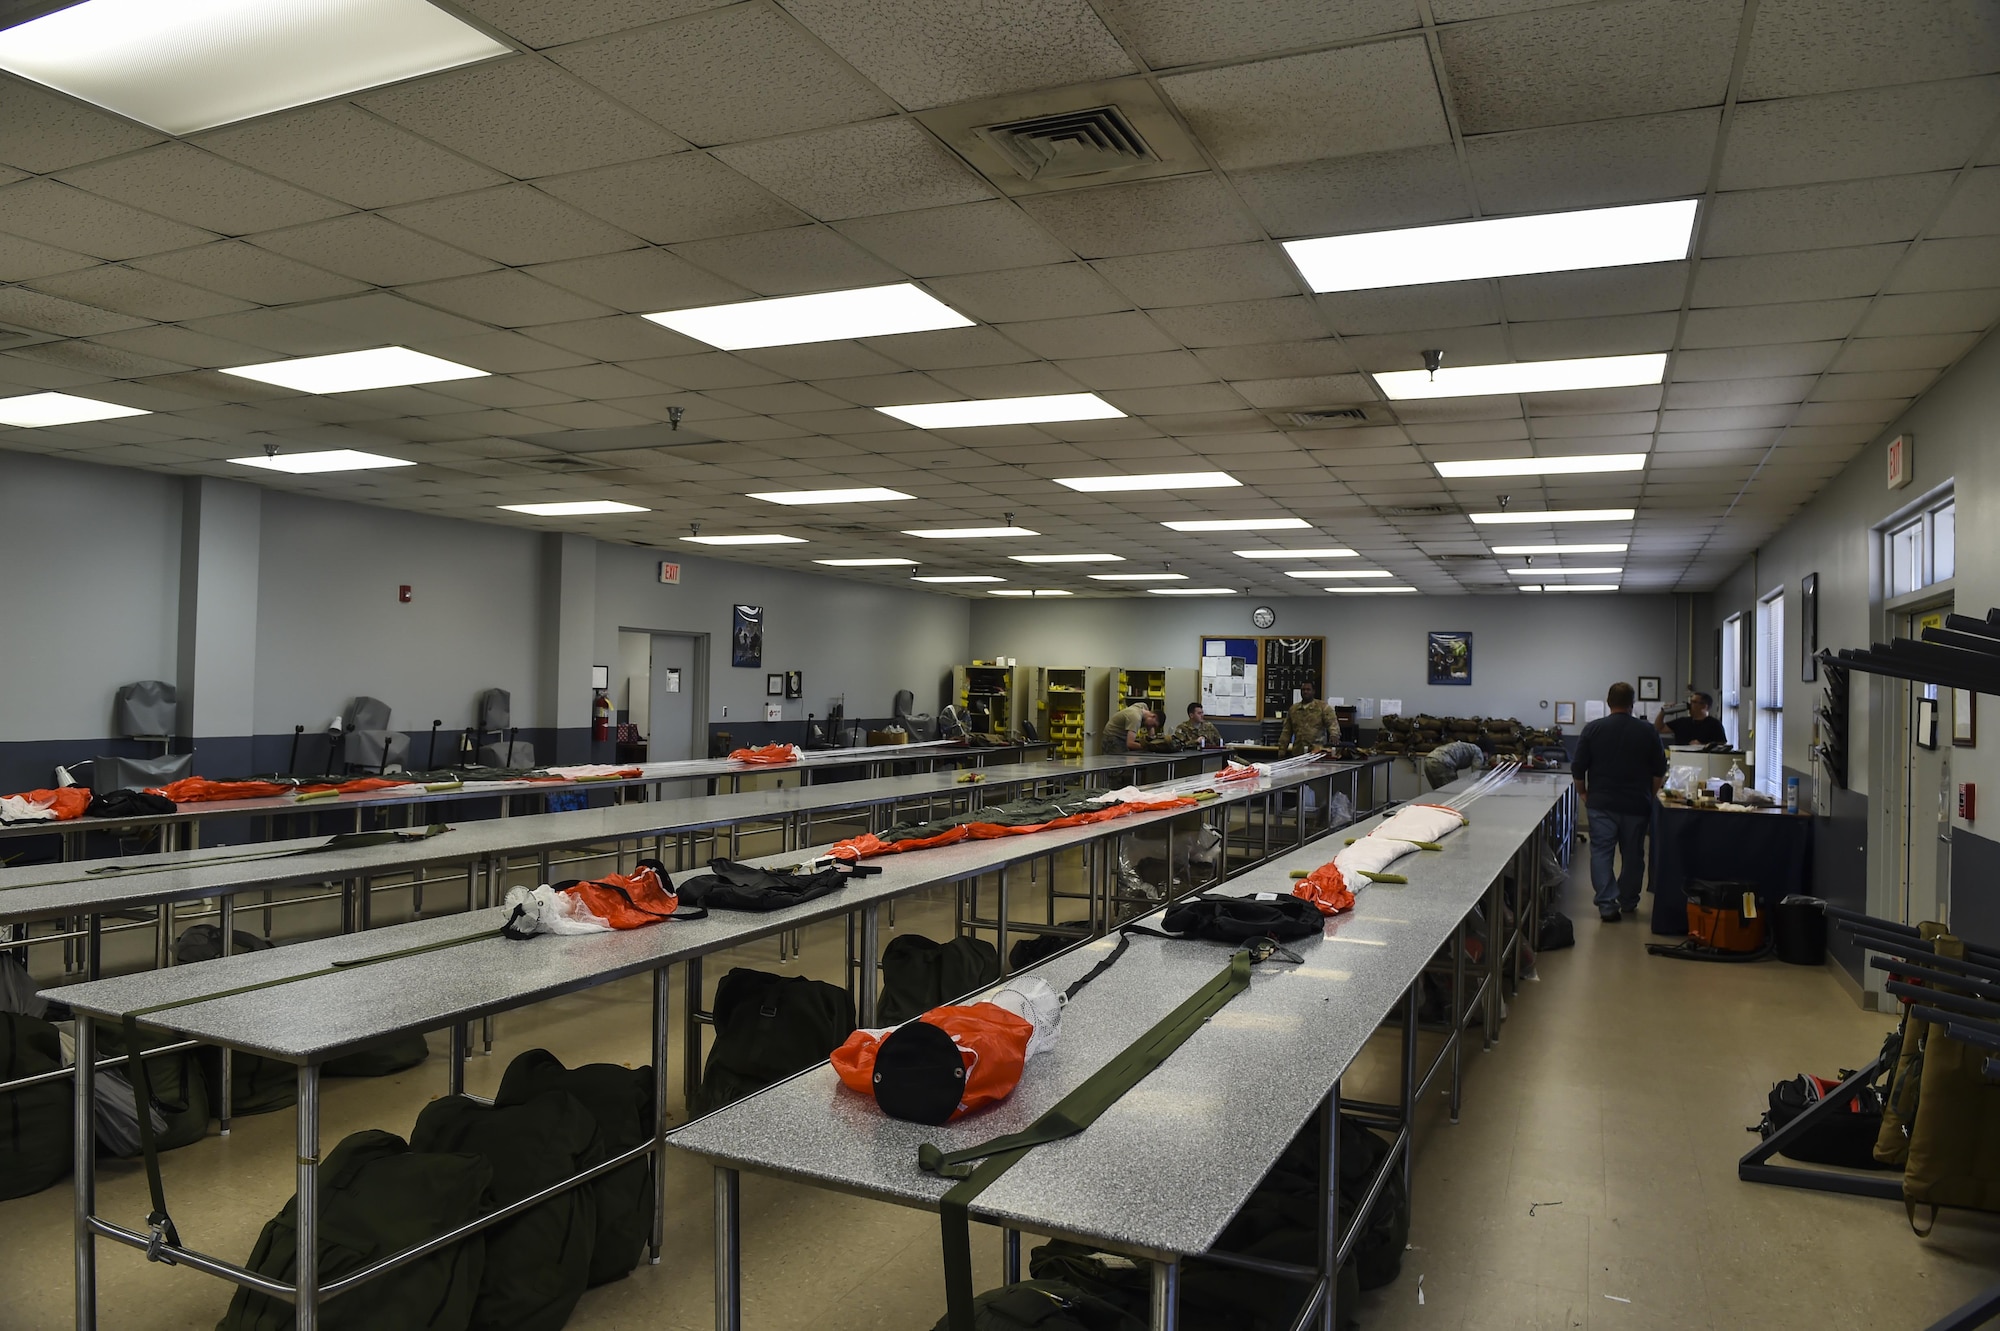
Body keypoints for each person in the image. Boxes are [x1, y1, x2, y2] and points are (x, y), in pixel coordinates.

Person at [1572, 681, 1668, 922]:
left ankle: (1606, 905)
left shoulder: (1593, 729)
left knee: (1601, 852)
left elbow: (1578, 767)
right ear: (1632, 704)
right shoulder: (1647, 731)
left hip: (1601, 803)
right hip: (1636, 804)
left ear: (1608, 702)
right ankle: (1628, 901)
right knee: (1634, 854)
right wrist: (1650, 793)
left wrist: (1583, 793)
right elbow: (1659, 770)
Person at [1277, 682, 1336, 755]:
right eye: (1303, 690)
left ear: (1313, 691)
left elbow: (1332, 724)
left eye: (1308, 689)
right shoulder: (1293, 709)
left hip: (1317, 752)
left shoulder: (1322, 707)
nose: (1305, 692)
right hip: (1298, 752)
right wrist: (1282, 750)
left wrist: (1334, 735)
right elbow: (1286, 731)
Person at [1657, 691, 1729, 747]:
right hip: (1681, 759)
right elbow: (1659, 729)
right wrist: (1663, 712)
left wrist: (1703, 746)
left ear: (1704, 706)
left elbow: (1721, 745)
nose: (1690, 705)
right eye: (1690, 702)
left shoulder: (1714, 724)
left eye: (1694, 702)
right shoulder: (1682, 722)